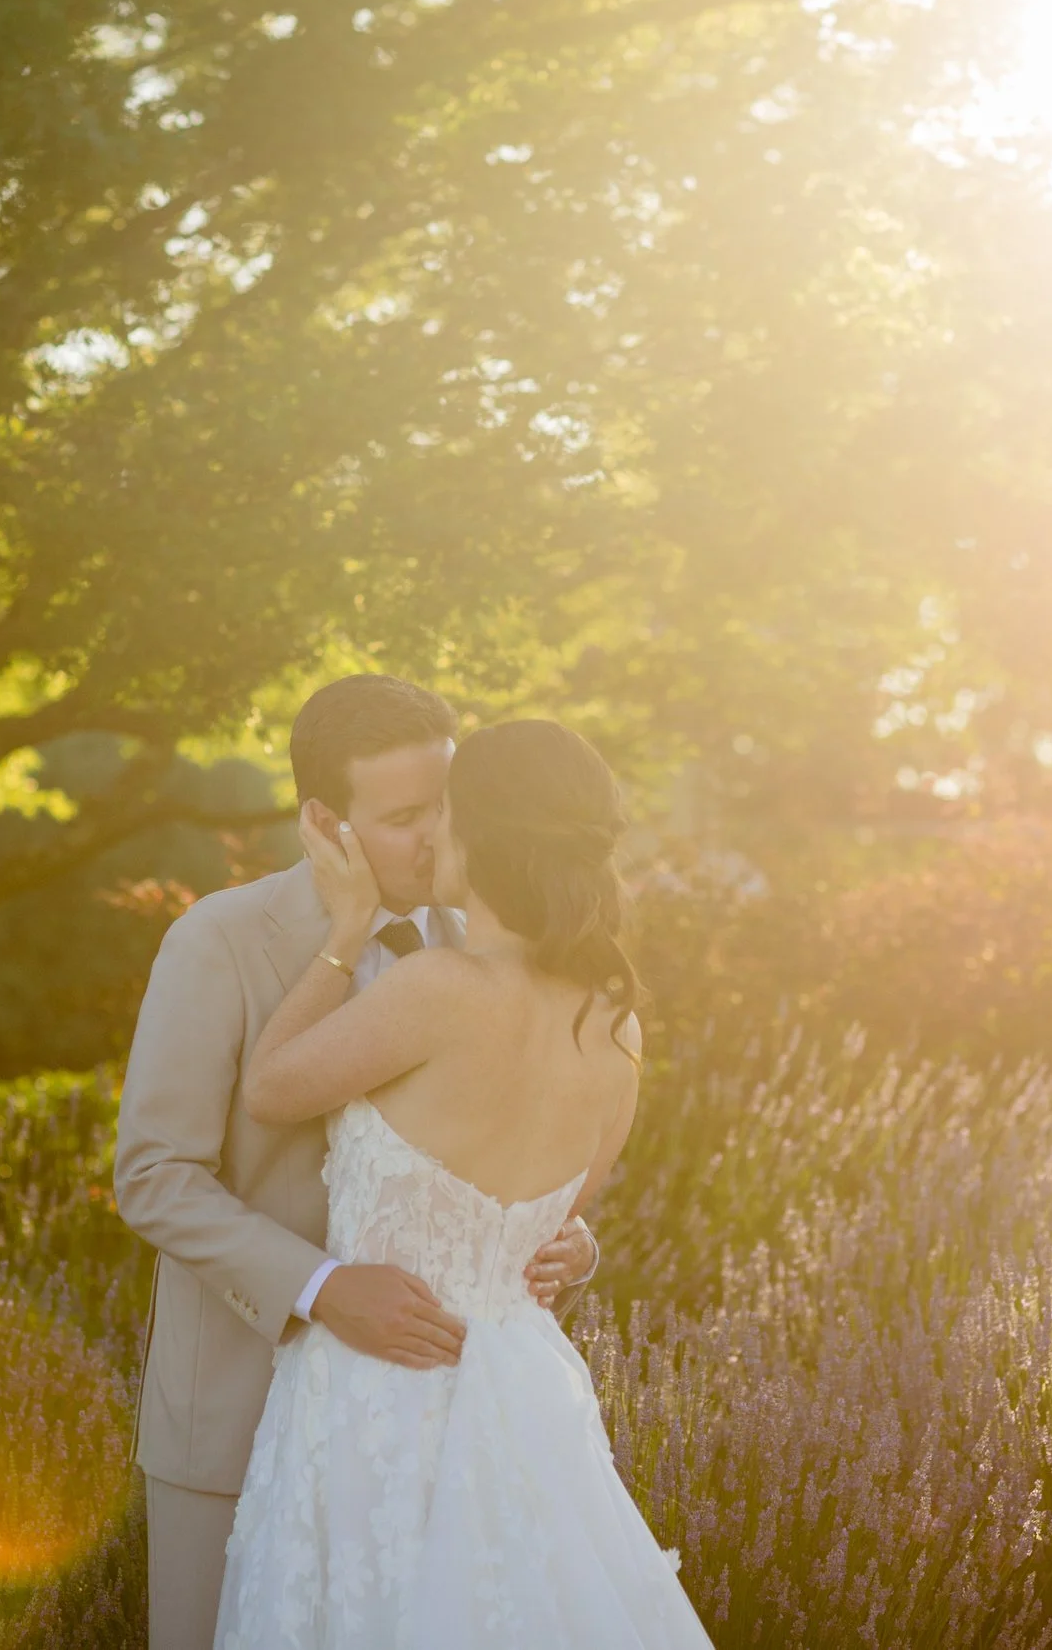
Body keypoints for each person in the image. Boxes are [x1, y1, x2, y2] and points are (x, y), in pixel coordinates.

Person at [113, 677, 602, 1650]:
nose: (435, 839)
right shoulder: (219, 939)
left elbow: (500, 1147)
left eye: (446, 809)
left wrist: (560, 1232)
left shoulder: (481, 951)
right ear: (325, 822)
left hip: (424, 1430)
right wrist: (322, 1285)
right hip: (235, 1420)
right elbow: (154, 1174)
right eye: (403, 816)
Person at [213, 717, 711, 1649]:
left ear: (488, 836)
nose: (431, 832)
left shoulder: (437, 987)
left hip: (380, 1396)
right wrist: (580, 1247)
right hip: (521, 1392)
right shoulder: (614, 1025)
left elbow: (271, 1087)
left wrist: (347, 930)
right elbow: (553, 1223)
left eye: (448, 811)